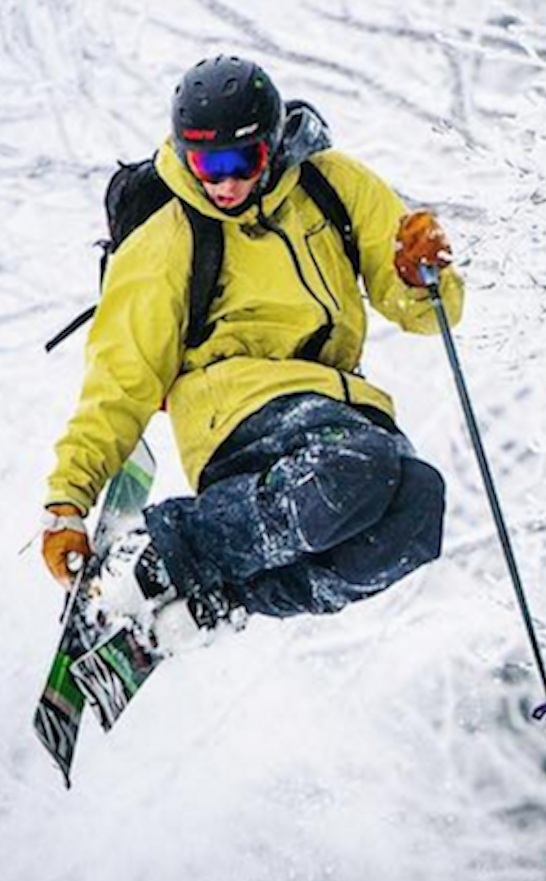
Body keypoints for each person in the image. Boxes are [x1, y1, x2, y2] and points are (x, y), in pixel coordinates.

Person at [39, 55, 460, 649]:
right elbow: (120, 377)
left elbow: (426, 313)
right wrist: (67, 501)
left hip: (335, 408)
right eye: (206, 165)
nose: (225, 183)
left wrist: (420, 274)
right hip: (234, 411)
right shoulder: (170, 233)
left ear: (273, 144)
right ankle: (163, 553)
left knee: (417, 506)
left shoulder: (332, 185)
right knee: (359, 465)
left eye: (242, 161)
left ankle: (219, 602)